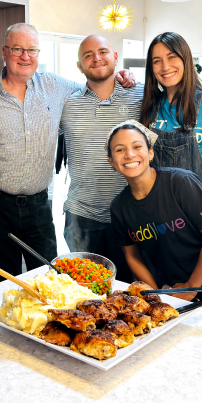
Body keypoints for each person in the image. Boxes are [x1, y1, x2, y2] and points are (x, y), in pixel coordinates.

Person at [0, 23, 135, 284]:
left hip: (39, 205)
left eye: (32, 50)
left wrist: (119, 75)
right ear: (4, 52)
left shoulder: (57, 87)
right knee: (2, 282)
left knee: (50, 278)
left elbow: (95, 81)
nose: (25, 56)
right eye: (17, 49)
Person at [107, 121, 202, 320]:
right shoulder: (119, 207)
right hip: (181, 290)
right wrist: (157, 296)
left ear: (150, 153)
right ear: (111, 161)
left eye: (137, 146)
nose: (129, 154)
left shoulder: (180, 182)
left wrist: (191, 286)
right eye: (120, 150)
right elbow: (133, 256)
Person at [60, 34, 143, 282]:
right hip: (81, 214)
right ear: (79, 66)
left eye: (103, 51)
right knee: (84, 290)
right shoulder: (67, 103)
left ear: (115, 57)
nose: (97, 58)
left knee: (129, 290)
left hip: (132, 213)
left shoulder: (141, 95)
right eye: (88, 55)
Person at [140, 32, 202, 194]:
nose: (165, 67)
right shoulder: (149, 107)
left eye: (172, 57)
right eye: (157, 61)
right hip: (160, 205)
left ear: (186, 59)